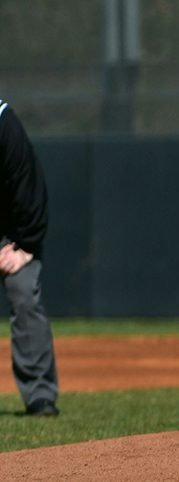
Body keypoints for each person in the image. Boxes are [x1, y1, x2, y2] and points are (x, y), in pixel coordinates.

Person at [0, 98, 60, 417]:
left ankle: (39, 394)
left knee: (23, 292)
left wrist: (25, 247)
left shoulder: (4, 124)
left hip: (14, 229)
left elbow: (29, 190)